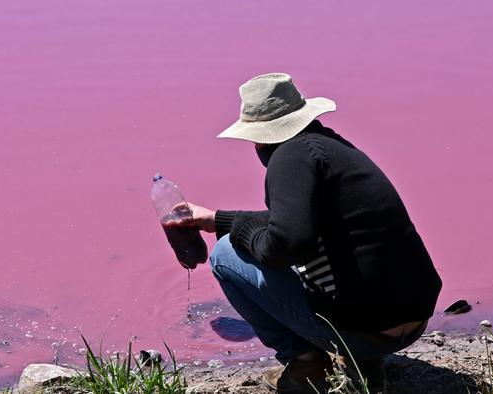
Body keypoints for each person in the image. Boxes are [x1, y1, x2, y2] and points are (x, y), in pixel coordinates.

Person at [182, 73, 442, 394]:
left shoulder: (287, 157)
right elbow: (299, 221)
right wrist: (219, 219)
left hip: (365, 331)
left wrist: (237, 233)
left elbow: (288, 243)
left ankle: (308, 364)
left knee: (224, 255)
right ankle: (365, 362)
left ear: (258, 138)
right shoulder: (335, 149)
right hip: (414, 320)